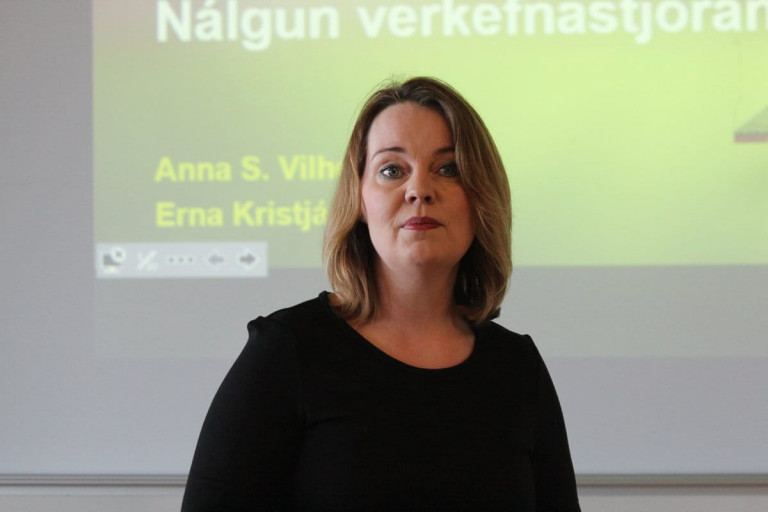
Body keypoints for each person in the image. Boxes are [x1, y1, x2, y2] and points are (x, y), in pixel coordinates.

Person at [181, 77, 581, 511]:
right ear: (359, 200)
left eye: (448, 169)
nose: (419, 190)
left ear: (481, 197)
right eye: (392, 170)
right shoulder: (287, 350)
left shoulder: (517, 369)